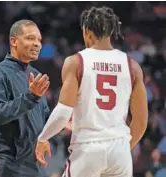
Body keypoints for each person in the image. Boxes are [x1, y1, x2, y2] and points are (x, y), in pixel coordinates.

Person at [35, 6, 148, 177]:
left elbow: (62, 113)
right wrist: (119, 148)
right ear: (112, 32)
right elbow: (140, 122)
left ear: (86, 31)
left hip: (88, 148)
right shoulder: (133, 66)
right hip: (120, 152)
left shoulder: (76, 62)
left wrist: (42, 138)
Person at [0, 20, 50, 177]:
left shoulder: (36, 76)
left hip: (32, 162)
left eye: (39, 40)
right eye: (30, 38)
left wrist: (61, 125)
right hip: (1, 159)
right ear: (14, 41)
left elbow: (44, 117)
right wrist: (31, 97)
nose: (37, 44)